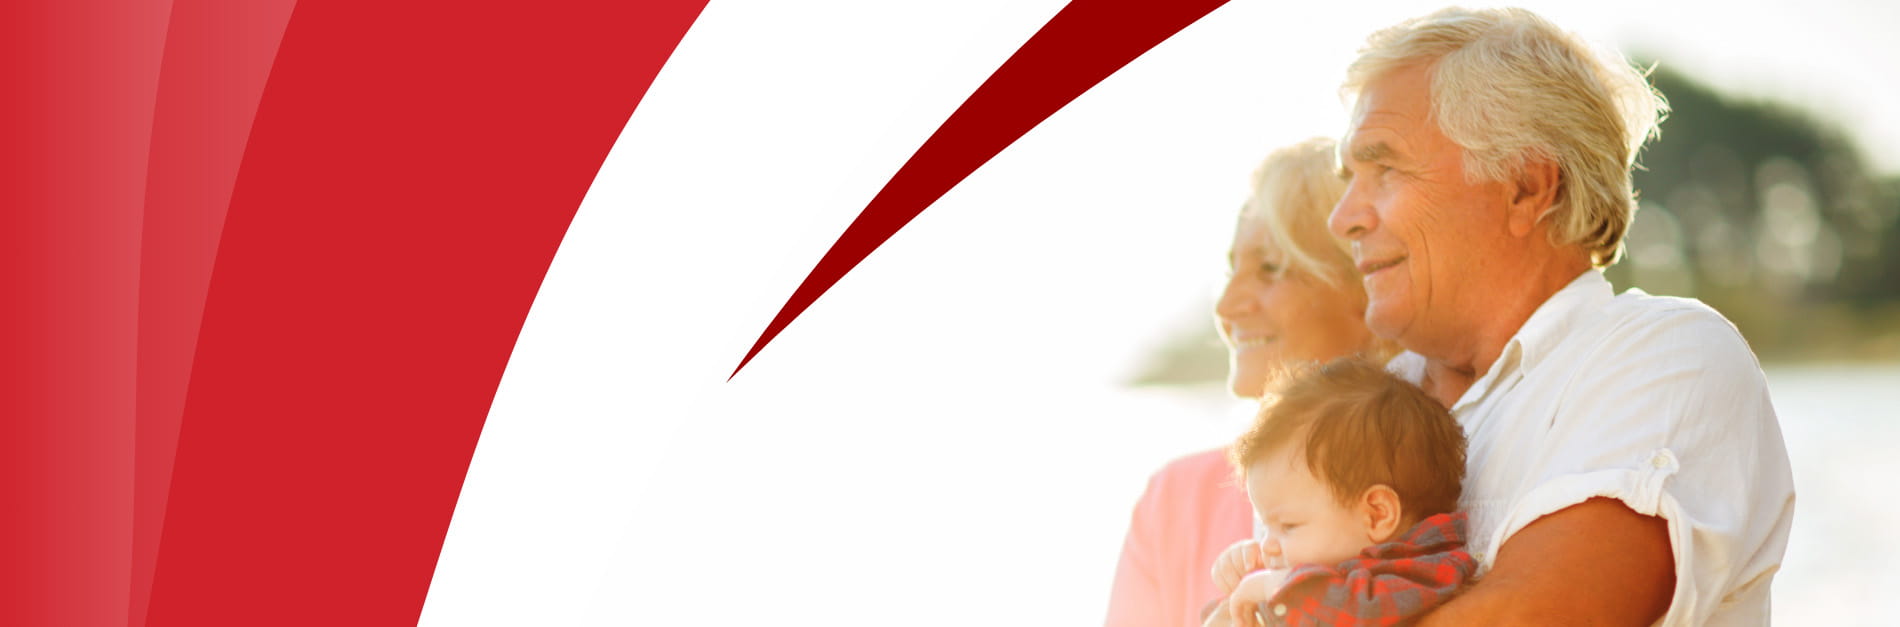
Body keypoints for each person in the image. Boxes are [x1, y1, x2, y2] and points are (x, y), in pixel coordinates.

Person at [1324, 7, 1794, 624]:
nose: (1343, 219)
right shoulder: (1367, 400)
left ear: (1527, 187)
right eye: (1348, 177)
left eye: (1384, 168)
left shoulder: (1670, 356)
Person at [1104, 138, 1384, 627]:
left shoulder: (1424, 470)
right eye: (1232, 270)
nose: (1228, 306)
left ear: (1364, 283)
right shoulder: (1175, 500)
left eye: (1270, 269)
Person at [1211, 357, 1476, 627]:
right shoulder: (1329, 568)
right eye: (1265, 525)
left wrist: (1274, 586)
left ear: (1377, 515)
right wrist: (1239, 596)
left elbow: (1360, 610)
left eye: (1288, 525)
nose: (1267, 544)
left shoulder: (1424, 573)